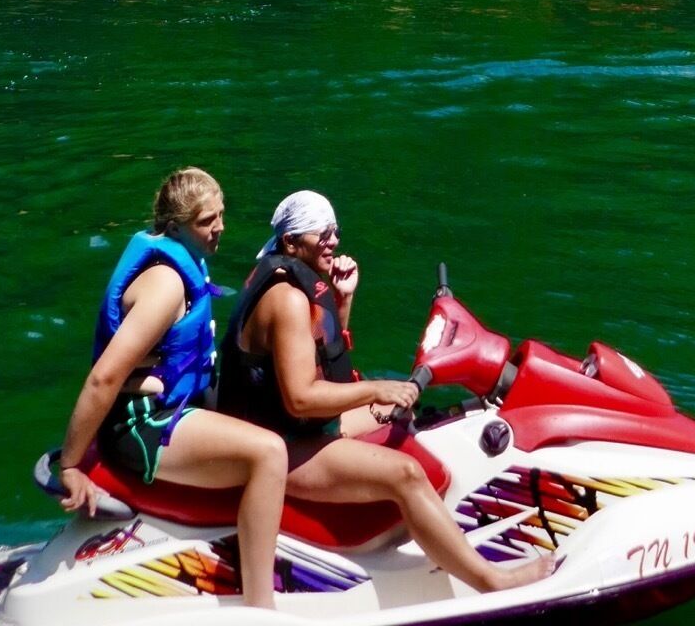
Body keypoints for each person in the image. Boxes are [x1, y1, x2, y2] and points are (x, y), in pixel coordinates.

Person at [218, 190, 555, 594]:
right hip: (282, 443)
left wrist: (344, 299)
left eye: (335, 232)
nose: (334, 242)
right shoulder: (287, 298)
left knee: (401, 415)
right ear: (291, 243)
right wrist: (377, 388)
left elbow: (323, 358)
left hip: (294, 427)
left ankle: (429, 530)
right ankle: (492, 580)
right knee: (406, 475)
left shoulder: (289, 284)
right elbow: (301, 399)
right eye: (322, 235)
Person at [57, 167, 289, 615]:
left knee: (279, 411)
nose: (219, 227)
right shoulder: (165, 285)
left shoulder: (188, 260)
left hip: (178, 403)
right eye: (206, 221)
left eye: (221, 215)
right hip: (143, 425)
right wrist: (69, 464)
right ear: (175, 226)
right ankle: (261, 608)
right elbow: (104, 378)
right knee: (269, 452)